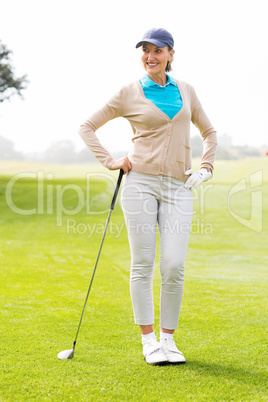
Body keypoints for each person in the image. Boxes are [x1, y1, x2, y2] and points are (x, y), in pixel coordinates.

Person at [79, 28, 217, 365]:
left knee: (173, 264)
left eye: (158, 50)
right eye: (145, 51)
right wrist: (111, 161)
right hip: (139, 183)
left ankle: (169, 341)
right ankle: (149, 341)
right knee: (142, 265)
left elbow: (209, 132)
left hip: (179, 187)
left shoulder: (186, 90)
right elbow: (87, 126)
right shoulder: (128, 91)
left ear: (171, 54)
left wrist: (206, 167)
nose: (150, 57)